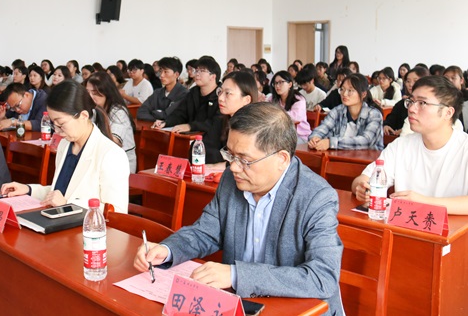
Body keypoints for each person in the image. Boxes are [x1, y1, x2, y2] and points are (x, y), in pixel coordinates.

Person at [134, 103, 343, 315]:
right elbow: (205, 232)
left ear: (281, 159)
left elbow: (322, 277)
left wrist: (236, 275)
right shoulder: (231, 180)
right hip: (242, 304)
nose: (233, 167)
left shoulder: (315, 197)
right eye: (230, 155)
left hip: (299, 309)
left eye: (244, 160)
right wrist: (168, 250)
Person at [1, 80, 130, 212]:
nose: (57, 131)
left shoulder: (111, 154)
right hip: (60, 219)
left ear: (83, 116)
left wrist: (68, 204)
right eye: (54, 125)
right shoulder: (65, 144)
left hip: (83, 224)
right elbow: (60, 192)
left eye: (61, 124)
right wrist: (28, 190)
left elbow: (117, 211)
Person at [351, 76, 468, 214]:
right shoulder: (401, 145)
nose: (411, 108)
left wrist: (423, 203)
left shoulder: (464, 148)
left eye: (422, 103)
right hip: (403, 225)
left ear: (448, 113)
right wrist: (362, 188)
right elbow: (362, 179)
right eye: (411, 101)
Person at [308, 73, 384, 151]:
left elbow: (366, 141)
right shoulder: (337, 111)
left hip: (368, 158)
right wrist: (314, 138)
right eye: (342, 89)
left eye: (350, 90)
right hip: (340, 156)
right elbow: (322, 128)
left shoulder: (374, 115)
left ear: (363, 94)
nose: (344, 94)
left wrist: (331, 142)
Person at [86, 71, 137, 172]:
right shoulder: (95, 109)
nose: (90, 96)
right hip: (100, 158)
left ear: (106, 92)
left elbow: (113, 141)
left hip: (120, 163)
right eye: (88, 92)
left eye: (95, 93)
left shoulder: (118, 112)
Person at [157, 56, 221, 135]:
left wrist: (190, 126)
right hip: (190, 136)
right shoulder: (193, 93)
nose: (197, 74)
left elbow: (216, 123)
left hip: (211, 138)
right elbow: (180, 114)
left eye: (202, 71)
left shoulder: (221, 96)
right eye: (196, 71)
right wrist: (166, 122)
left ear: (213, 76)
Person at [203, 71, 257, 164]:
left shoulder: (256, 127)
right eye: (220, 91)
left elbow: (249, 161)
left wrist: (226, 164)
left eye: (228, 93)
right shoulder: (221, 120)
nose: (220, 98)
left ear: (247, 100)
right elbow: (203, 150)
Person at [137, 56, 189, 122]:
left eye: (166, 72)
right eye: (160, 71)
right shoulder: (157, 92)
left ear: (176, 74)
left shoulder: (184, 94)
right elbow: (141, 112)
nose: (161, 75)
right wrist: (158, 119)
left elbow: (168, 116)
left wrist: (153, 113)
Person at [267, 71, 310, 143]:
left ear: (290, 84)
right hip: (279, 134)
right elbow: (266, 112)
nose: (277, 86)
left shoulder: (298, 99)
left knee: (275, 144)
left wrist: (275, 113)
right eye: (275, 83)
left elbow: (295, 118)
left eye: (281, 82)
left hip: (299, 135)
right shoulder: (272, 99)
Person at [384, 67, 429, 136]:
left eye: (415, 81)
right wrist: (386, 126)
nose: (410, 84)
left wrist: (406, 130)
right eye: (408, 81)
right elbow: (390, 120)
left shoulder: (429, 105)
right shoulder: (401, 104)